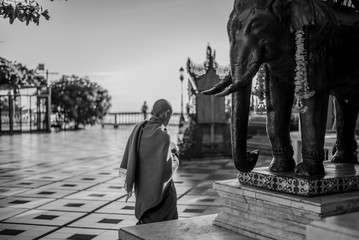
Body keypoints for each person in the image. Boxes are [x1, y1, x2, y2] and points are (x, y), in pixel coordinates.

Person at [120, 99, 179, 225]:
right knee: (167, 219)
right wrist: (175, 157)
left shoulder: (139, 129)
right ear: (166, 113)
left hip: (142, 189)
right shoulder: (163, 134)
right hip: (159, 194)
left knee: (147, 222)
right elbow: (165, 171)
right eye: (170, 115)